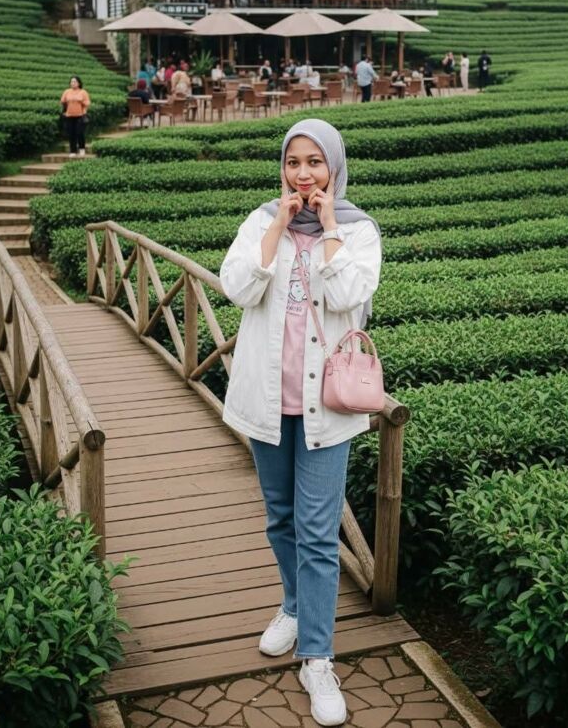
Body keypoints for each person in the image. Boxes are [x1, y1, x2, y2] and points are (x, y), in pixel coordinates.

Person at [220, 118, 382, 728]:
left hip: (327, 407)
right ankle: (292, 606)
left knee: (317, 533)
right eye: (294, 162)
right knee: (280, 518)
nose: (304, 174)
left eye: (316, 162)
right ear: (282, 169)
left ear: (334, 167)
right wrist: (278, 229)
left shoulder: (359, 231)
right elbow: (237, 288)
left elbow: (348, 297)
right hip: (267, 400)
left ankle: (317, 656)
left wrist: (330, 227)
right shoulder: (261, 221)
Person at [60, 75, 90, 158]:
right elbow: (63, 101)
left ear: (79, 83)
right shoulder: (67, 92)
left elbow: (87, 104)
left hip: (80, 115)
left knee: (80, 133)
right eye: (72, 82)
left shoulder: (83, 92)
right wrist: (65, 110)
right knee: (71, 134)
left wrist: (84, 111)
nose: (73, 83)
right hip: (69, 115)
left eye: (75, 82)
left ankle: (82, 148)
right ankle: (73, 150)